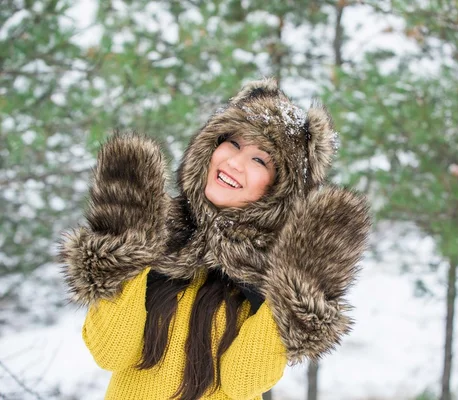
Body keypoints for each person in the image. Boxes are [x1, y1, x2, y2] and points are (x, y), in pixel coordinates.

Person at [59, 78, 371, 400]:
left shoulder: (272, 274)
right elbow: (109, 351)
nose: (235, 162)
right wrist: (125, 239)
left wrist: (301, 286)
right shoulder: (154, 234)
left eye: (260, 159)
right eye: (233, 144)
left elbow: (243, 381)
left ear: (280, 189)